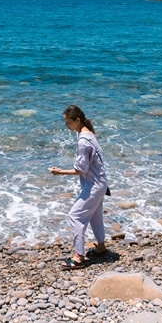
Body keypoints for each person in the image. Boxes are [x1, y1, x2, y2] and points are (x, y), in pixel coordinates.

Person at [49, 104, 108, 270]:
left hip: (95, 185)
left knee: (75, 216)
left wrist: (59, 172)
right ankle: (101, 247)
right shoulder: (87, 133)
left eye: (68, 122)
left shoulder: (83, 141)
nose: (66, 125)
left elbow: (81, 170)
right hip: (100, 182)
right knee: (95, 215)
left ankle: (78, 257)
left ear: (77, 120)